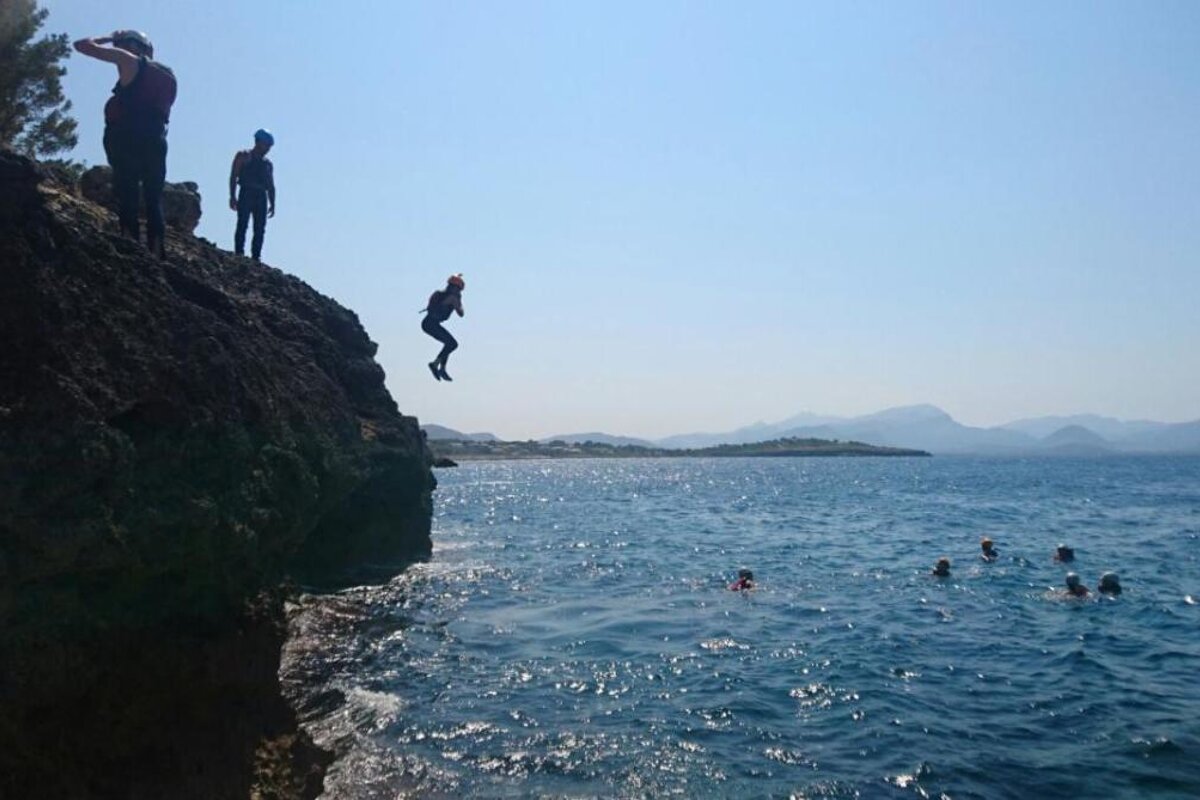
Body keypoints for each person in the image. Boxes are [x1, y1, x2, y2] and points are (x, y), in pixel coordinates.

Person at [74, 30, 177, 258]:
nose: (120, 48)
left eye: (123, 44)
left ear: (134, 46)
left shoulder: (128, 61)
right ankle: (157, 251)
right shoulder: (169, 76)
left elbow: (81, 45)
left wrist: (109, 38)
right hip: (157, 139)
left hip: (127, 135)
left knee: (128, 190)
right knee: (153, 197)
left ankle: (129, 247)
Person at [229, 129, 276, 260]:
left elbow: (271, 185)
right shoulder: (244, 156)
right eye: (266, 145)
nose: (267, 149)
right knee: (242, 223)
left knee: (260, 228)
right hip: (246, 192)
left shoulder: (267, 164)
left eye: (269, 146)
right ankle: (239, 252)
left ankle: (256, 256)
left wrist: (273, 203)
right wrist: (232, 196)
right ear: (258, 142)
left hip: (261, 195)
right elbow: (233, 176)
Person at [422, 274, 465, 381]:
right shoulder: (452, 298)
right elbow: (461, 313)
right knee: (452, 344)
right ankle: (436, 365)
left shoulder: (441, 294)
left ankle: (441, 368)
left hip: (429, 323)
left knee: (449, 344)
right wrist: (459, 302)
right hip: (431, 324)